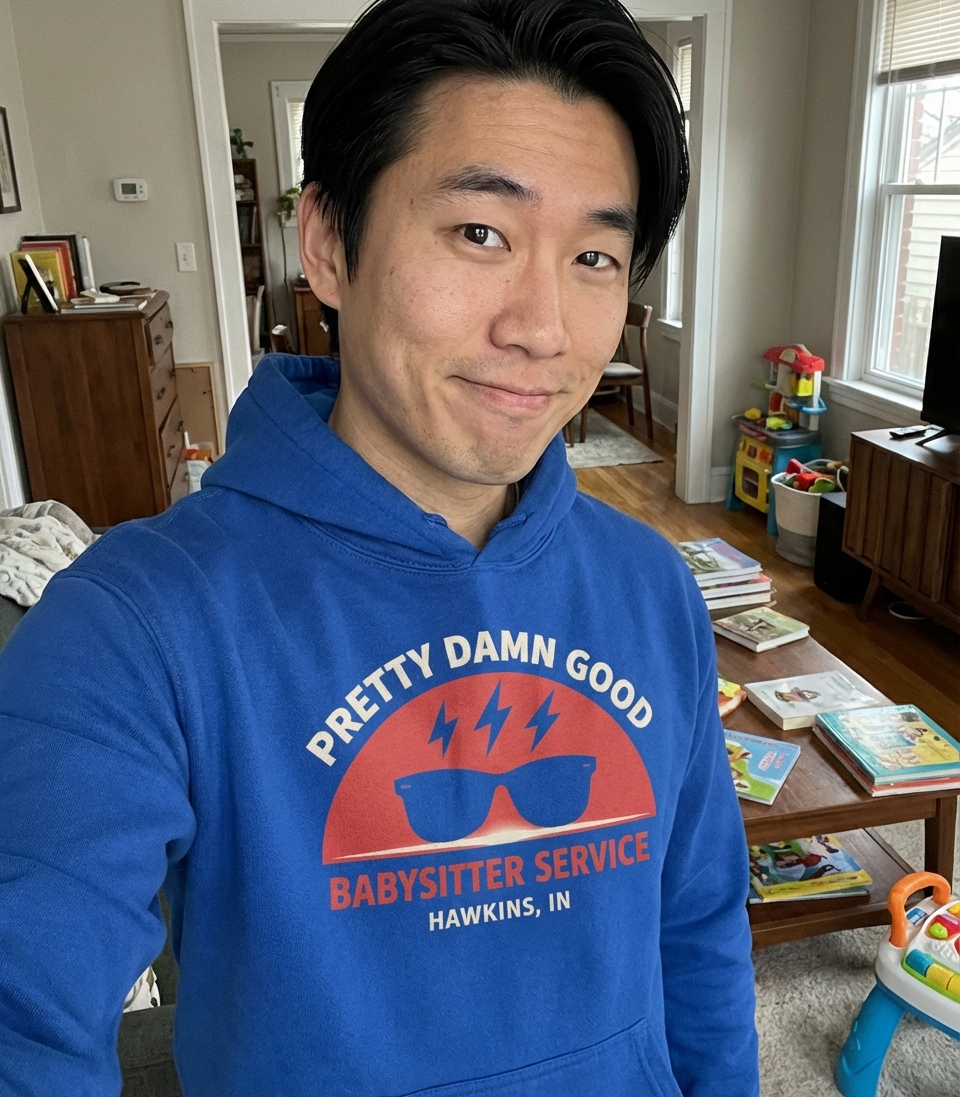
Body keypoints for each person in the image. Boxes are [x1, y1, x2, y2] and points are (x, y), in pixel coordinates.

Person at [0, 1, 759, 1093]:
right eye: (480, 233)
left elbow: (698, 928)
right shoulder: (133, 624)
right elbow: (23, 1009)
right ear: (327, 243)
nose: (542, 326)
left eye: (595, 254)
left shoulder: (650, 586)